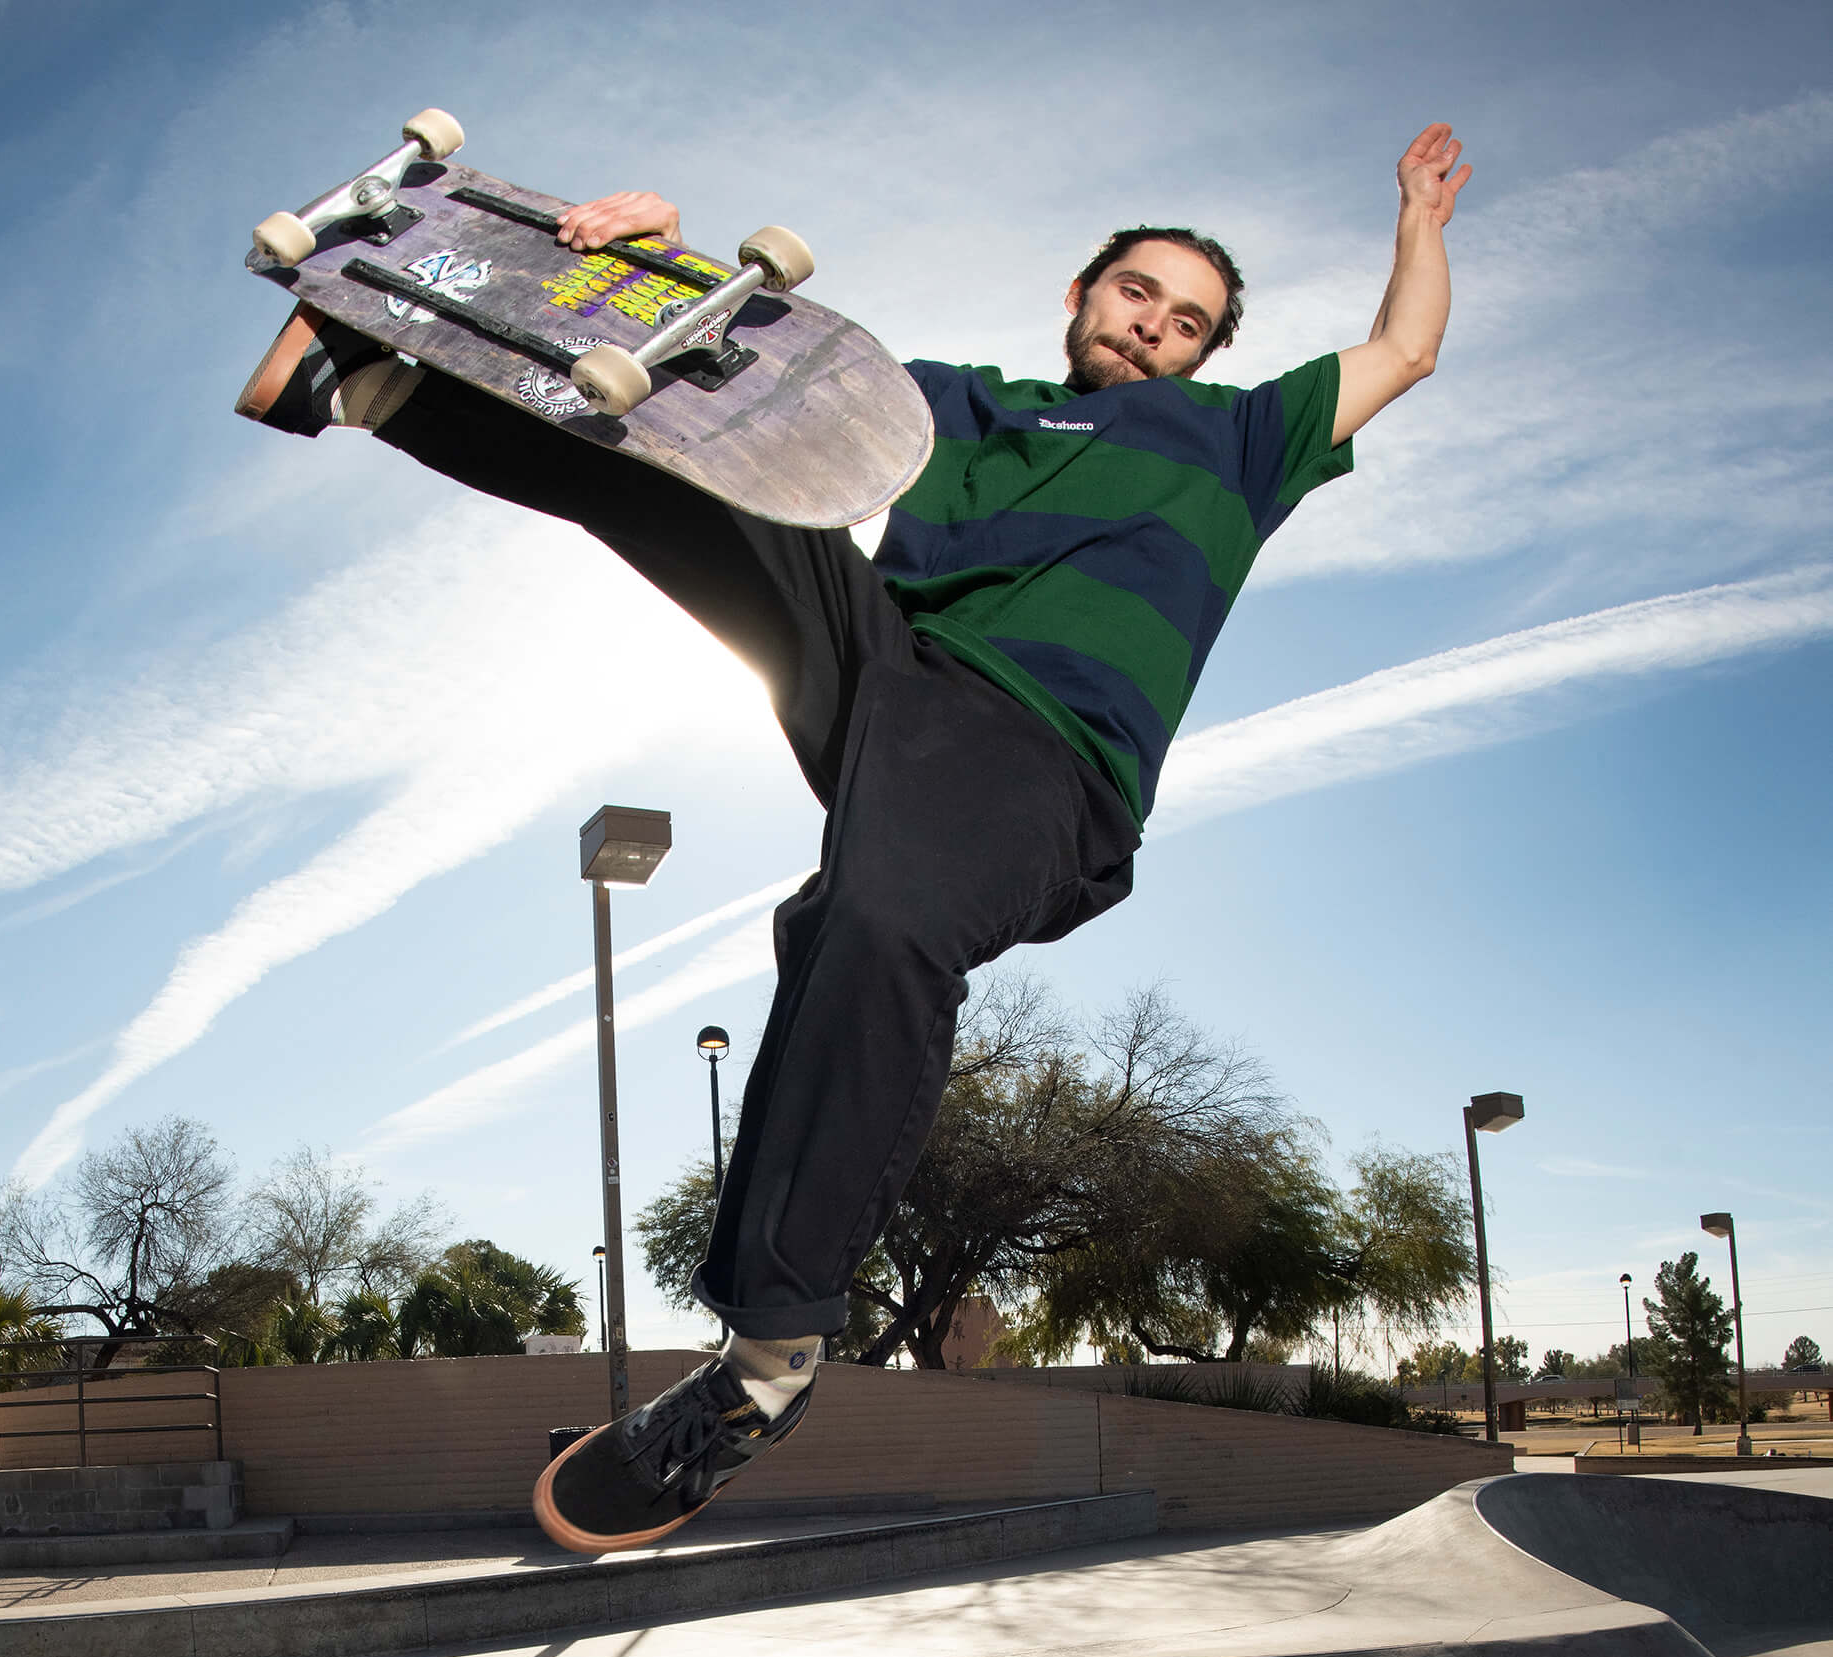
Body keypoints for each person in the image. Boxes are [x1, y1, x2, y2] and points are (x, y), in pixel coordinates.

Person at [239, 124, 1469, 1554]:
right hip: (889, 677)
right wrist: (644, 265)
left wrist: (1417, 220)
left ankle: (769, 1352)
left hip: (1041, 759)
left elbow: (1404, 351)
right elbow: (755, 379)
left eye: (1187, 322)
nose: (1154, 328)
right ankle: (381, 384)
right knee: (725, 472)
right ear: (1083, 296)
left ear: (1205, 356)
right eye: (1137, 294)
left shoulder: (1246, 439)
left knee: (871, 921)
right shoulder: (950, 401)